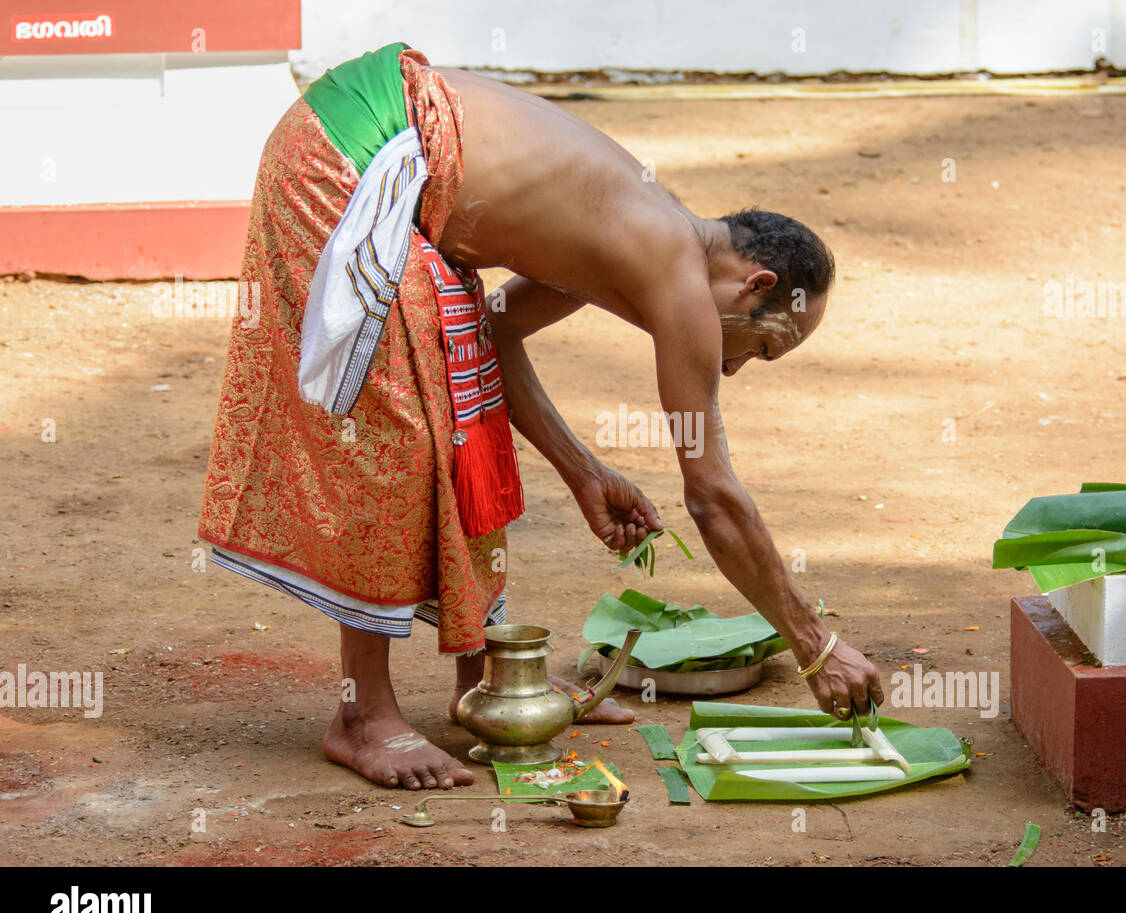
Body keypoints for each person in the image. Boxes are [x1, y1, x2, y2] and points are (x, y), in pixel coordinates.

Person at [198, 42, 883, 792]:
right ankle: (362, 715)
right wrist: (816, 644)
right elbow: (711, 493)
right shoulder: (676, 273)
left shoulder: (636, 239)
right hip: (343, 151)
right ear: (755, 284)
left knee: (465, 397)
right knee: (399, 425)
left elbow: (492, 333)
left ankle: (493, 685)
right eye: (763, 346)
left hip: (387, 151)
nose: (732, 367)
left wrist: (584, 470)